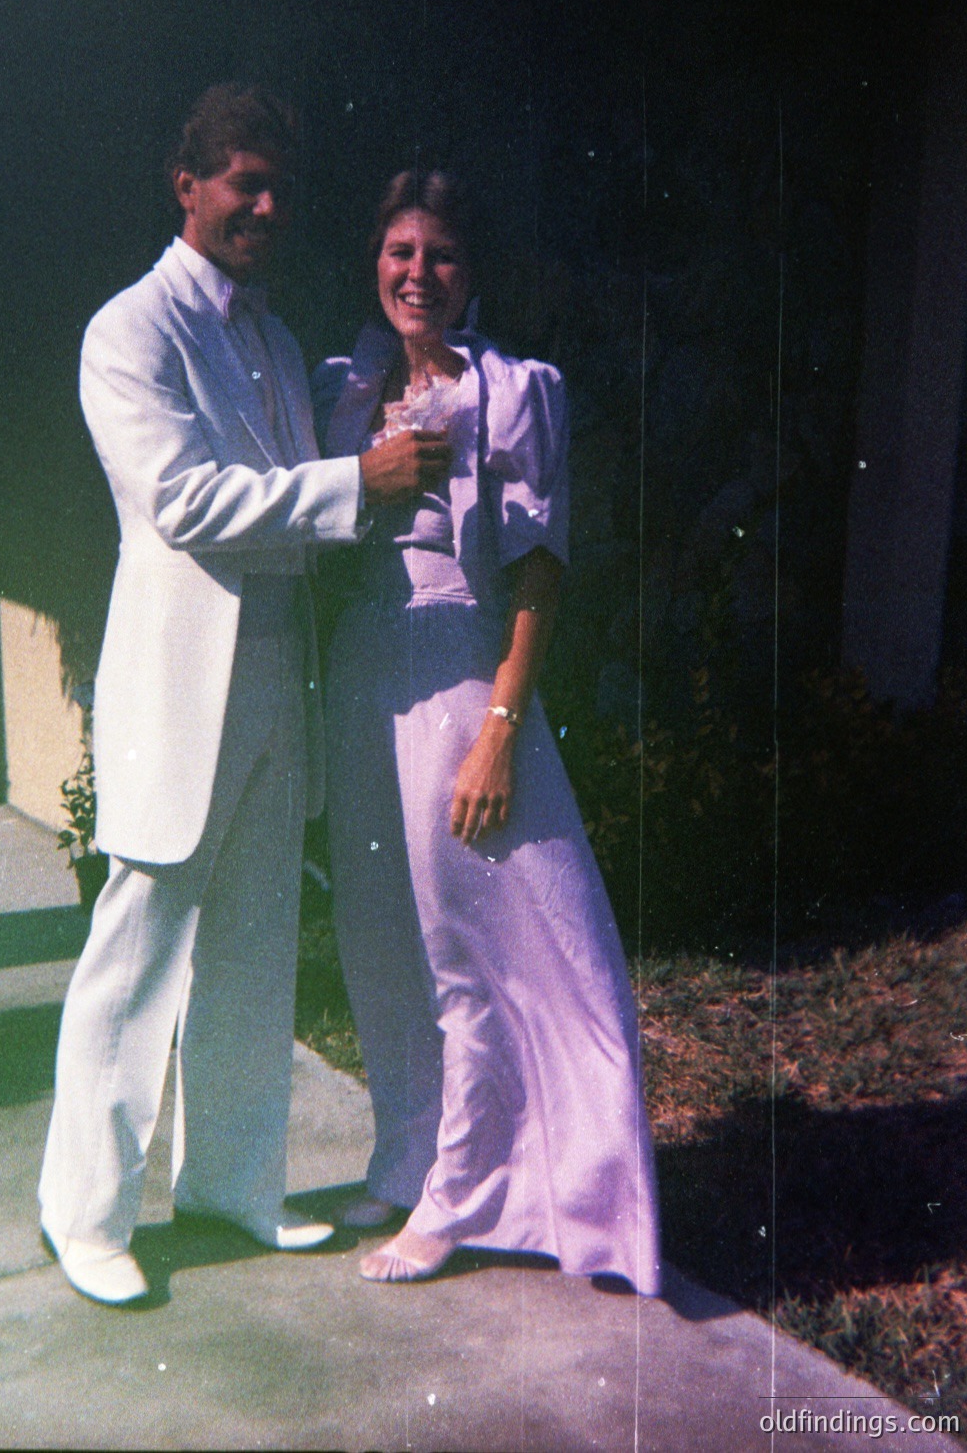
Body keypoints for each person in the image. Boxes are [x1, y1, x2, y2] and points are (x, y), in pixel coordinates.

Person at [38, 88, 450, 1305]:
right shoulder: (130, 331)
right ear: (188, 184)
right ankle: (87, 1214)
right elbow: (187, 503)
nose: (265, 206)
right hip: (180, 686)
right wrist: (354, 482)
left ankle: (230, 1183)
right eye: (242, 183)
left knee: (258, 947)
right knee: (138, 949)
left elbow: (307, 493)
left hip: (278, 674)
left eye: (278, 188)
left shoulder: (269, 341)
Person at [313, 172, 661, 1290]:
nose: (418, 273)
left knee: (464, 942)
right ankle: (409, 1152)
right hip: (358, 674)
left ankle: (459, 1202)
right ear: (374, 260)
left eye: (442, 255)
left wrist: (500, 729)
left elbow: (538, 575)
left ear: (475, 276)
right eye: (399, 250)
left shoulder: (510, 393)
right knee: (378, 936)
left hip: (457, 668)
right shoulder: (344, 383)